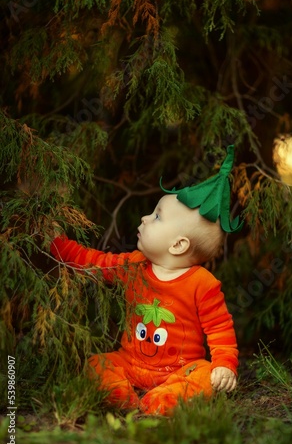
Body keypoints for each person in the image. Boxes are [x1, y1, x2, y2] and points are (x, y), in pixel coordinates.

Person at [50, 145, 243, 415]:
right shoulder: (133, 266)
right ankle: (121, 395)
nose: (144, 218)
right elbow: (93, 262)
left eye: (156, 217)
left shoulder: (202, 283)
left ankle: (164, 399)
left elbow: (220, 330)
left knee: (204, 373)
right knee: (97, 363)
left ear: (178, 245)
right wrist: (55, 242)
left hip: (180, 369)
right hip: (130, 362)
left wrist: (225, 364)